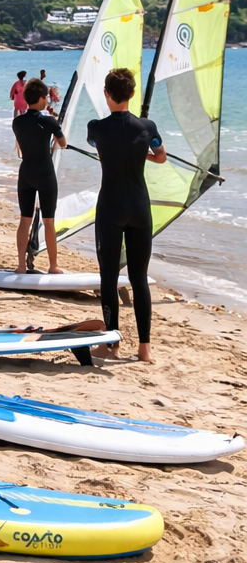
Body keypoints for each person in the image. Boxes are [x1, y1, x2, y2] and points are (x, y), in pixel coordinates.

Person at [87, 66, 167, 364]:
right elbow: (160, 155)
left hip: (111, 206)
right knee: (139, 278)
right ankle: (145, 349)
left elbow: (99, 149)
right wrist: (142, 152)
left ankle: (111, 345)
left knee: (109, 276)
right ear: (132, 94)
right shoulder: (148, 127)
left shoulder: (95, 127)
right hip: (140, 208)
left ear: (107, 94)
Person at [13, 78, 67, 275]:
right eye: (46, 98)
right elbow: (63, 143)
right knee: (49, 221)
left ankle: (20, 266)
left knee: (24, 220)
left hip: (26, 173)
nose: (47, 101)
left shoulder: (17, 122)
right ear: (42, 98)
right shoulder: (48, 121)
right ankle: (52, 266)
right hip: (44, 174)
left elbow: (26, 141)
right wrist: (55, 127)